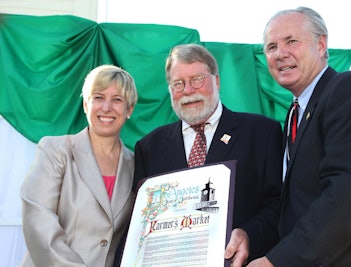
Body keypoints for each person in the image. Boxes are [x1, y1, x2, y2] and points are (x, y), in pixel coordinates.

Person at [226, 6, 351, 267]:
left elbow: (349, 193)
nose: (280, 54)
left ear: (321, 45)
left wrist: (279, 261)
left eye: (291, 41)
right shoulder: (295, 115)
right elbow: (295, 205)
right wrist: (250, 235)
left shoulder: (350, 90)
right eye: (271, 47)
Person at [114, 43, 283, 265]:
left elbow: (279, 204)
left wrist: (249, 234)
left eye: (197, 79)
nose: (188, 90)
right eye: (178, 84)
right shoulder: (149, 147)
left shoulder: (261, 133)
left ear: (217, 81)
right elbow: (139, 223)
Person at [20, 65, 138, 267]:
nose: (106, 107)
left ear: (129, 109)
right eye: (98, 97)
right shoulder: (55, 150)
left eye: (117, 99)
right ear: (85, 105)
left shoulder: (136, 165)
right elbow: (38, 224)